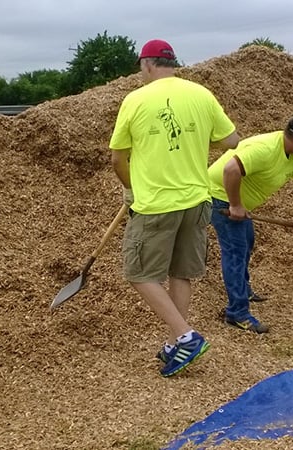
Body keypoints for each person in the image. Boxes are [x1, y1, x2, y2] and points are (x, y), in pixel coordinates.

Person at [109, 39, 240, 377]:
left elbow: (117, 157)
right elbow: (231, 141)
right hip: (197, 201)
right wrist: (194, 145)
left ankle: (186, 336)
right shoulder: (201, 95)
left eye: (141, 67)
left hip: (156, 204)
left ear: (148, 65)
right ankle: (174, 345)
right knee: (180, 272)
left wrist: (130, 189)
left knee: (138, 272)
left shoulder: (135, 100)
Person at [208, 113, 293, 334]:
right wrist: (235, 205)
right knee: (235, 251)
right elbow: (230, 169)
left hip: (238, 201)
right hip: (218, 197)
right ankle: (237, 313)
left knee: (247, 241)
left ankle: (243, 290)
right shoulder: (264, 149)